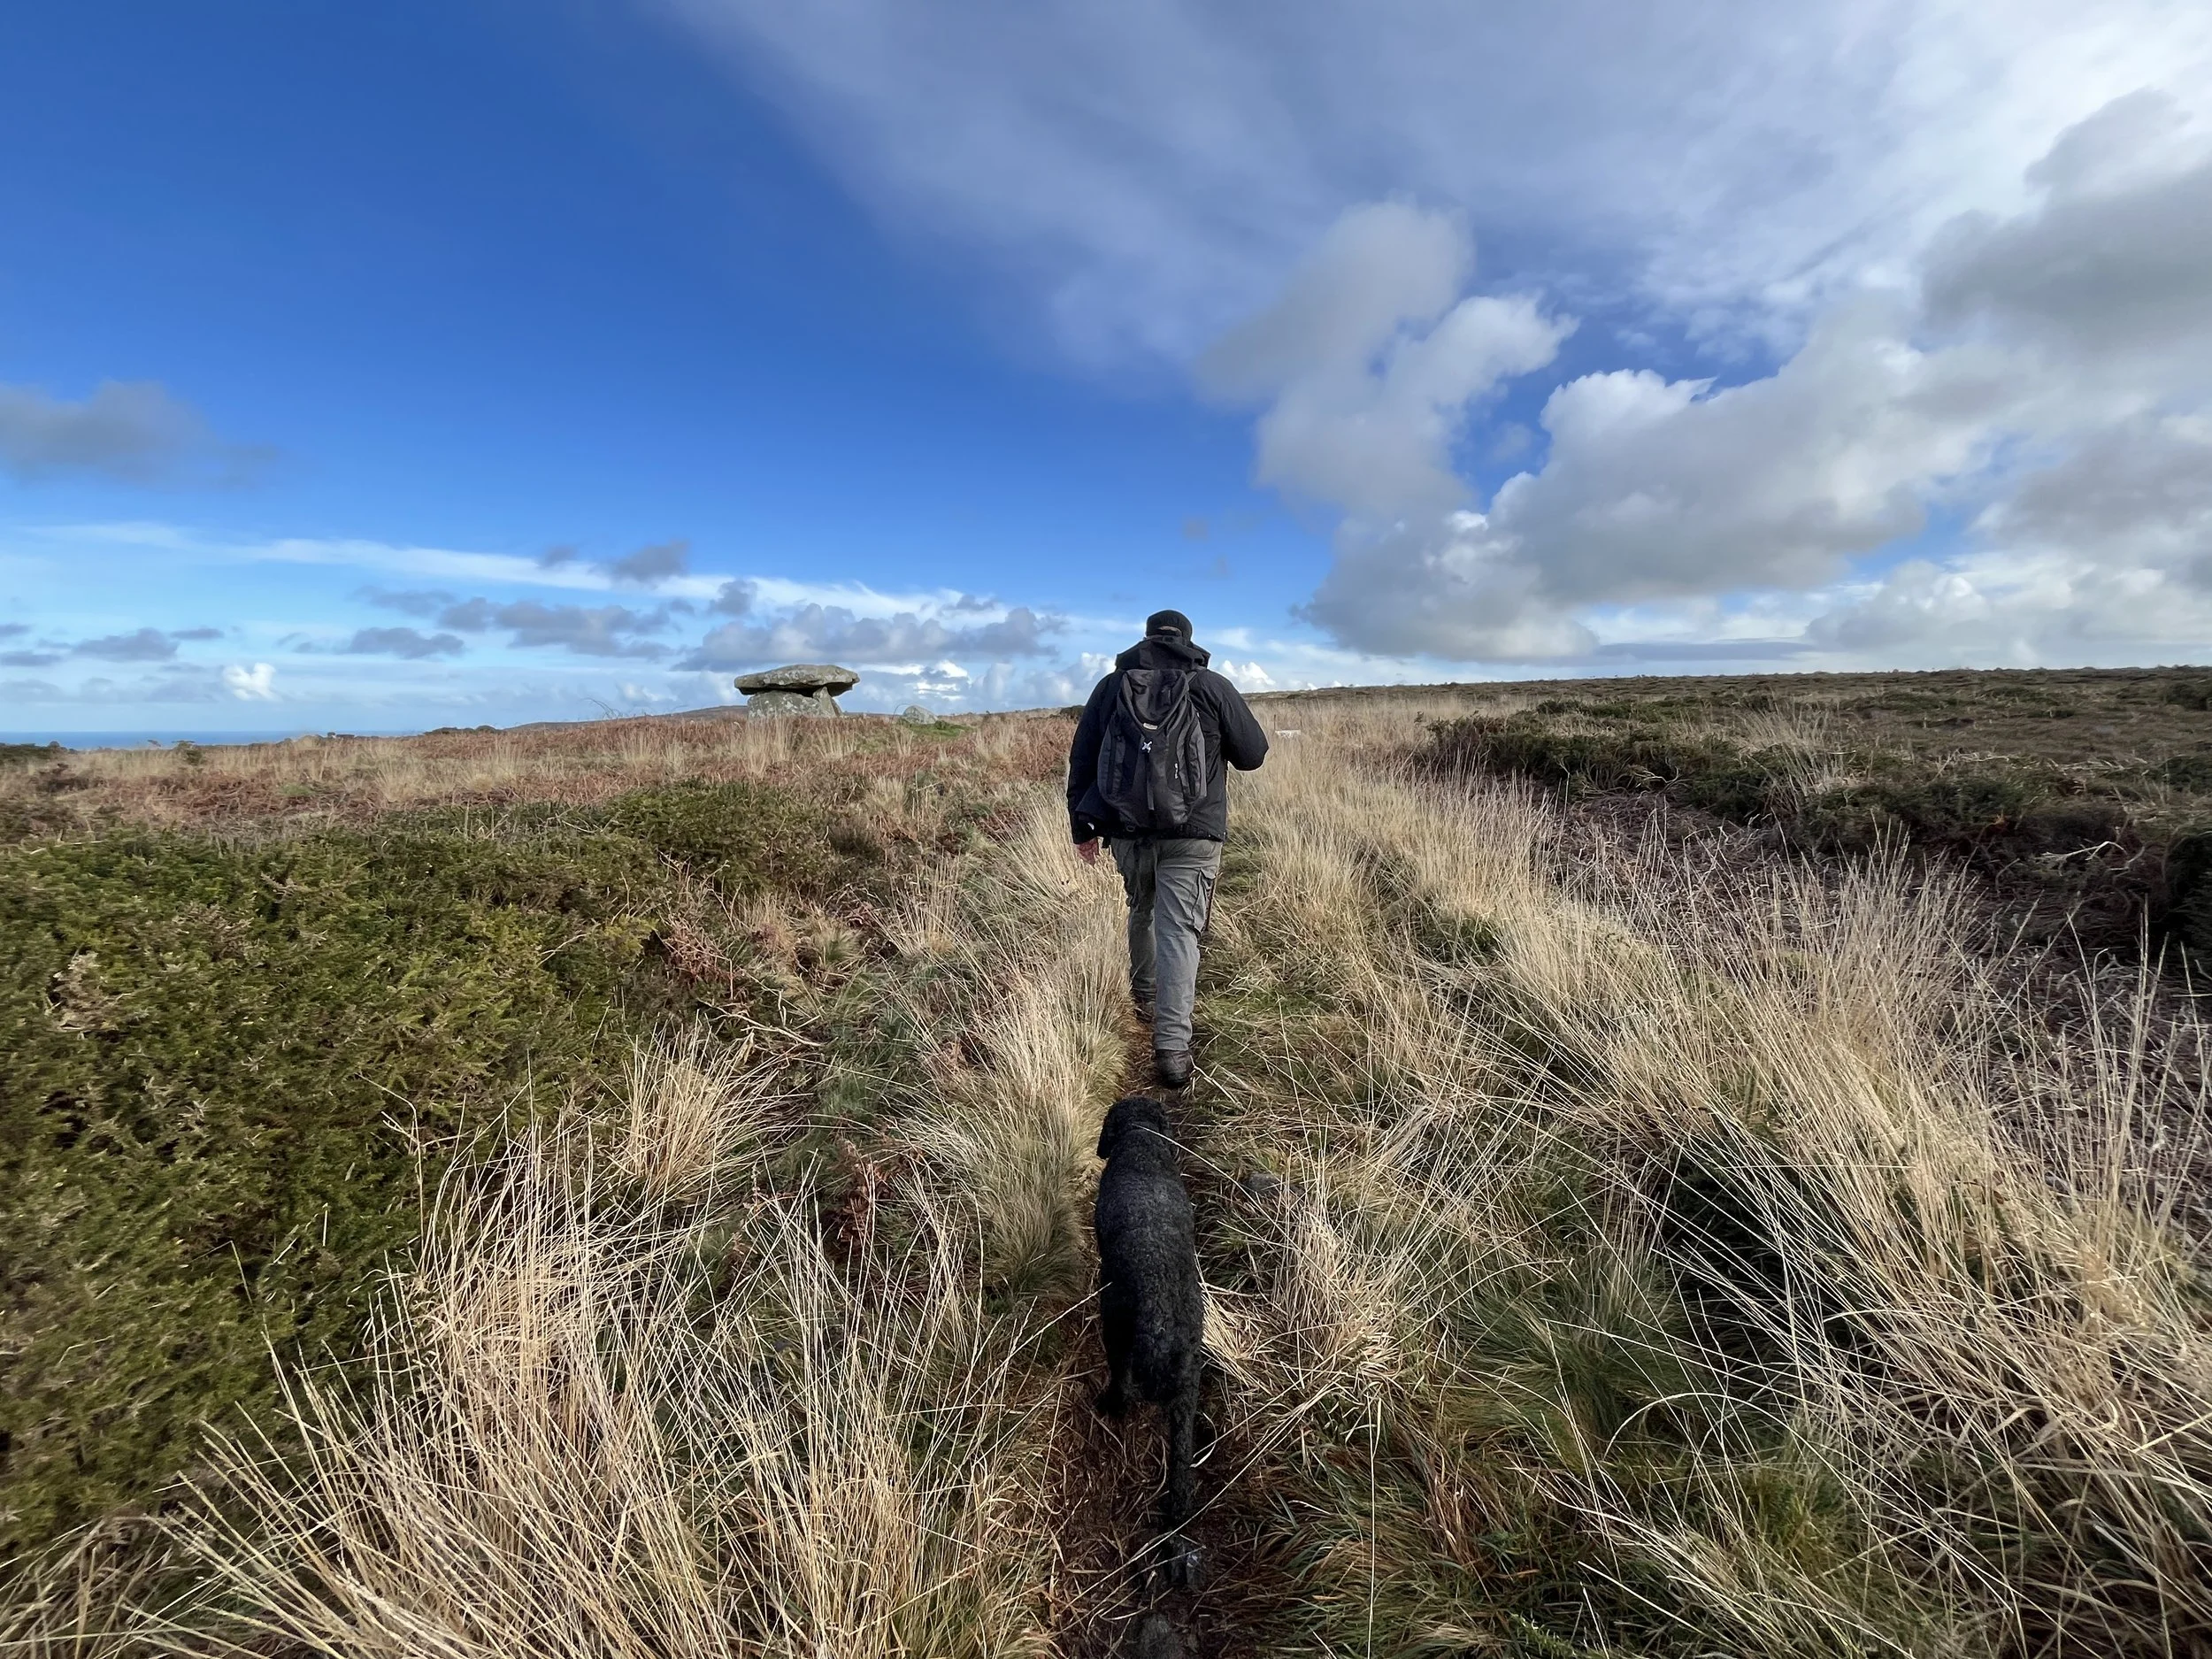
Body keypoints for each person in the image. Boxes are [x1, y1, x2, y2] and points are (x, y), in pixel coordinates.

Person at [1067, 610, 1269, 1089]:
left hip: (1127, 829)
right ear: (1189, 641)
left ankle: (1143, 997)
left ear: (1145, 638)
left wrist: (1082, 828)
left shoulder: (1110, 687)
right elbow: (1253, 755)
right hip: (1195, 833)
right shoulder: (1212, 686)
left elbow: (1083, 758)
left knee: (1142, 908)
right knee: (1179, 930)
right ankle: (1173, 1048)